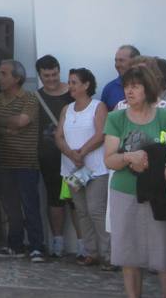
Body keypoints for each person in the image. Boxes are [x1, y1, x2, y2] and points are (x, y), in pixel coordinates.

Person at [104, 62, 166, 297]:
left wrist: (151, 158)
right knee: (129, 255)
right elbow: (109, 159)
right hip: (125, 192)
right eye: (127, 86)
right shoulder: (116, 117)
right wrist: (128, 156)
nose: (130, 91)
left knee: (165, 256)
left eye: (135, 86)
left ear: (147, 88)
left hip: (159, 193)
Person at [0, 59, 46, 262]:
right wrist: (6, 127)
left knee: (30, 205)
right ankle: (15, 245)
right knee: (10, 207)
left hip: (26, 162)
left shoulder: (30, 98)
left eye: (3, 74)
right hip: (3, 162)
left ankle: (37, 246)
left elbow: (23, 121)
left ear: (17, 78)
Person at [57, 67, 110, 269]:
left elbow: (101, 134)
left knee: (96, 210)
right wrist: (72, 155)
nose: (70, 86)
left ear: (86, 85)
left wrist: (82, 152)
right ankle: (91, 252)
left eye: (74, 82)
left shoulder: (98, 107)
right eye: (69, 82)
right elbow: (59, 136)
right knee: (81, 211)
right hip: (74, 169)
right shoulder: (67, 109)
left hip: (95, 169)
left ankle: (109, 254)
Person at [34, 54, 75, 257]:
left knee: (76, 200)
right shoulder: (36, 97)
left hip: (74, 156)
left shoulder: (73, 93)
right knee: (54, 198)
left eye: (54, 74)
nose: (51, 79)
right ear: (39, 75)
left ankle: (83, 244)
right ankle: (58, 241)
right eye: (46, 75)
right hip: (48, 156)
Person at [101, 44, 140, 111]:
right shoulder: (110, 88)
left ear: (135, 61)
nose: (117, 65)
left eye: (121, 60)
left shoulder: (147, 86)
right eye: (116, 61)